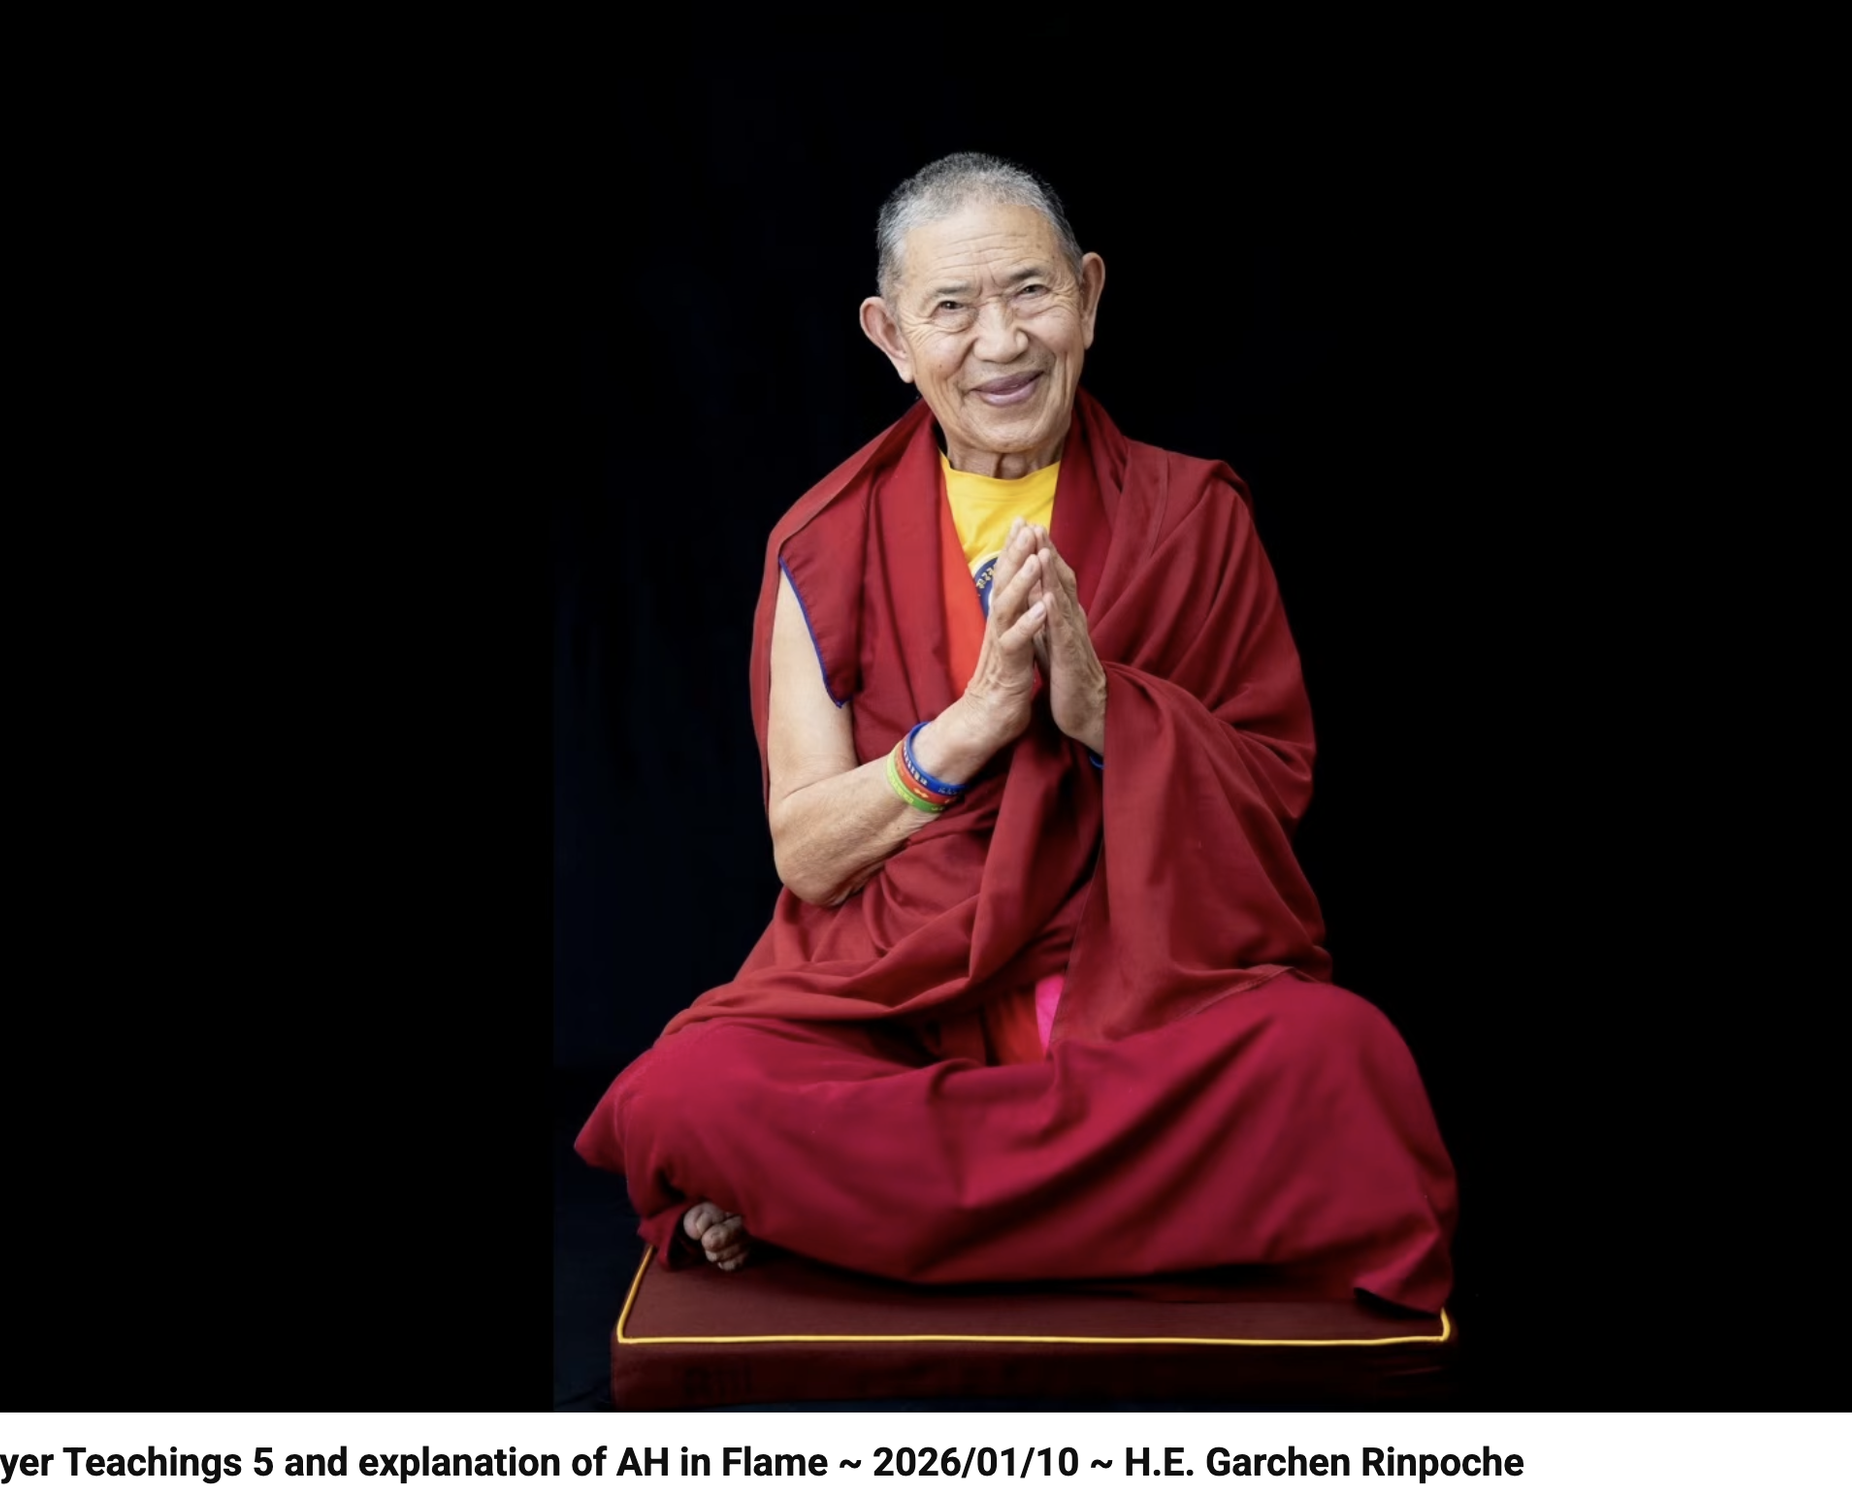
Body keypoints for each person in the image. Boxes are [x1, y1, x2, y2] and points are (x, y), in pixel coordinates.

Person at [576, 152, 1456, 1312]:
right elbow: (808, 850)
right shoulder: (824, 539)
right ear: (891, 338)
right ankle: (1155, 1219)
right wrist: (975, 725)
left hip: (1142, 993)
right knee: (688, 1088)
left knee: (1346, 1063)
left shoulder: (1193, 515)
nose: (1000, 344)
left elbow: (1271, 791)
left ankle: (838, 1214)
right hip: (905, 1009)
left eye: (1031, 293)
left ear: (1089, 296)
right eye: (951, 309)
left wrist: (1103, 711)